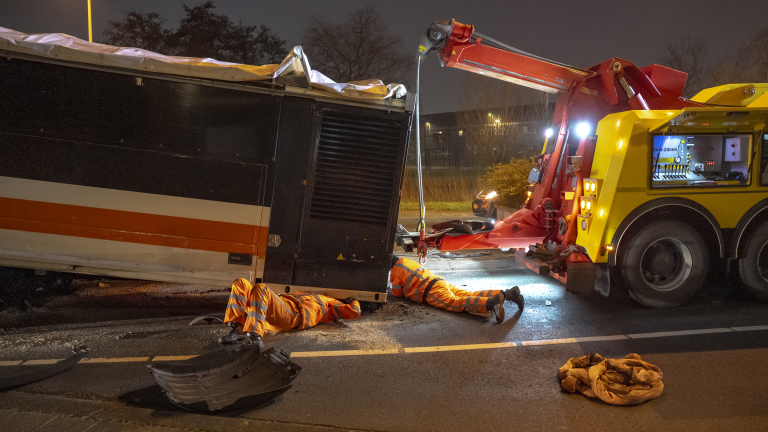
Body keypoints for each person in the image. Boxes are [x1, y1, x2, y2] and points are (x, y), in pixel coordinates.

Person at [219, 279, 362, 346]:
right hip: (281, 307)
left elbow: (354, 312)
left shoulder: (327, 300)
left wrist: (353, 300)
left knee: (261, 288)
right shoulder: (301, 292)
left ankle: (254, 336)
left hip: (293, 315)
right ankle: (237, 328)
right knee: (240, 283)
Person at [390, 255, 524, 323]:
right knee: (469, 294)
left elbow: (396, 293)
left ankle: (490, 303)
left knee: (455, 302)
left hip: (430, 291)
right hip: (439, 281)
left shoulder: (395, 271)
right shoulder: (405, 260)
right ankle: (507, 294)